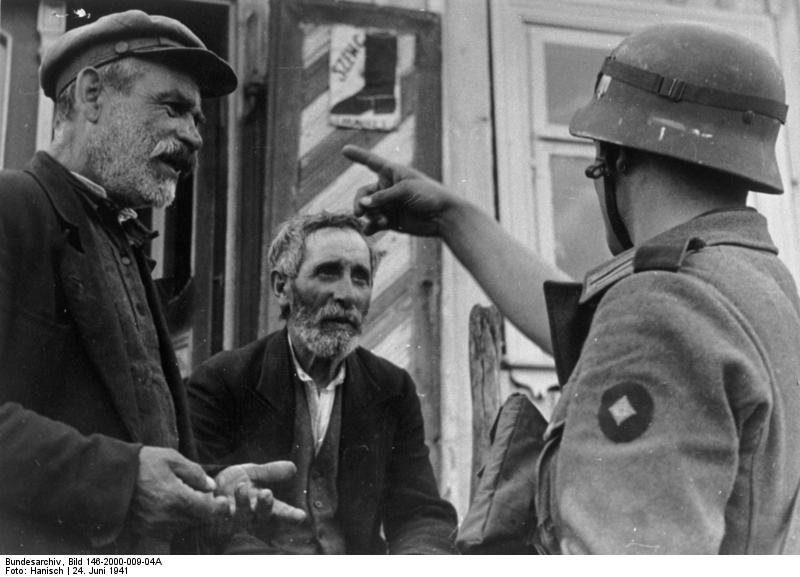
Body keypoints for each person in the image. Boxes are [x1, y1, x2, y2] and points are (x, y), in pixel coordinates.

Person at [342, 22, 800, 554]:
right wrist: (450, 216)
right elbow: (581, 327)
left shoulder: (659, 309)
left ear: (618, 157)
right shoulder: (758, 288)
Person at [0, 10, 303, 554]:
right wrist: (123, 482)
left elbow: (130, 439)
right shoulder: (11, 208)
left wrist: (210, 486)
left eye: (199, 122)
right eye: (174, 108)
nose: (192, 136)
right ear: (92, 94)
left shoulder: (124, 242)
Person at [188, 211, 458, 554]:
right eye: (328, 272)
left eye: (360, 278)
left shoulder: (392, 389)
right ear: (281, 287)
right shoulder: (221, 381)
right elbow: (204, 515)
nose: (346, 295)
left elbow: (420, 512)